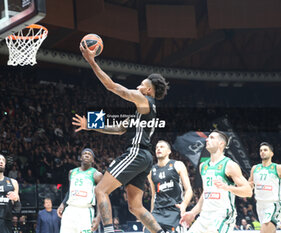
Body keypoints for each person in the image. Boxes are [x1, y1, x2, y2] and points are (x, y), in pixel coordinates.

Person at [74, 41, 169, 233]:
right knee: (135, 207)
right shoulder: (143, 112)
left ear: (149, 90)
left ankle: (108, 231)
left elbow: (113, 87)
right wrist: (90, 125)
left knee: (100, 190)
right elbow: (118, 129)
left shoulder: (145, 101)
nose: (137, 86)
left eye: (141, 85)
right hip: (145, 158)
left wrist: (91, 62)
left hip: (136, 153)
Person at [180, 130, 252, 233]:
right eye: (208, 137)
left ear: (221, 143)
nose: (207, 139)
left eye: (211, 137)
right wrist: (193, 213)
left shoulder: (229, 165)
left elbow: (248, 191)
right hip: (205, 215)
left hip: (222, 215)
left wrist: (228, 188)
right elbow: (206, 193)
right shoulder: (203, 166)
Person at [145, 140, 193, 233]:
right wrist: (151, 216)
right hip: (157, 212)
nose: (158, 149)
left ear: (169, 151)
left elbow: (189, 190)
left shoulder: (178, 165)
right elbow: (154, 195)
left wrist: (184, 205)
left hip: (174, 210)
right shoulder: (151, 171)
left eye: (162, 147)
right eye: (157, 147)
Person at [248, 142, 281, 233]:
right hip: (260, 205)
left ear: (272, 153)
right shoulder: (255, 168)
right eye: (261, 150)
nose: (262, 152)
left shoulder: (278, 168)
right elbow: (250, 184)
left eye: (265, 150)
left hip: (273, 205)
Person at [57, 148, 103, 233]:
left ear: (92, 160)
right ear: (80, 158)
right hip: (70, 209)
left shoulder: (97, 174)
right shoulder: (72, 172)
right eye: (84, 154)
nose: (86, 155)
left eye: (89, 154)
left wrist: (98, 216)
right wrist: (63, 203)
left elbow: (101, 197)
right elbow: (70, 191)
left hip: (85, 211)